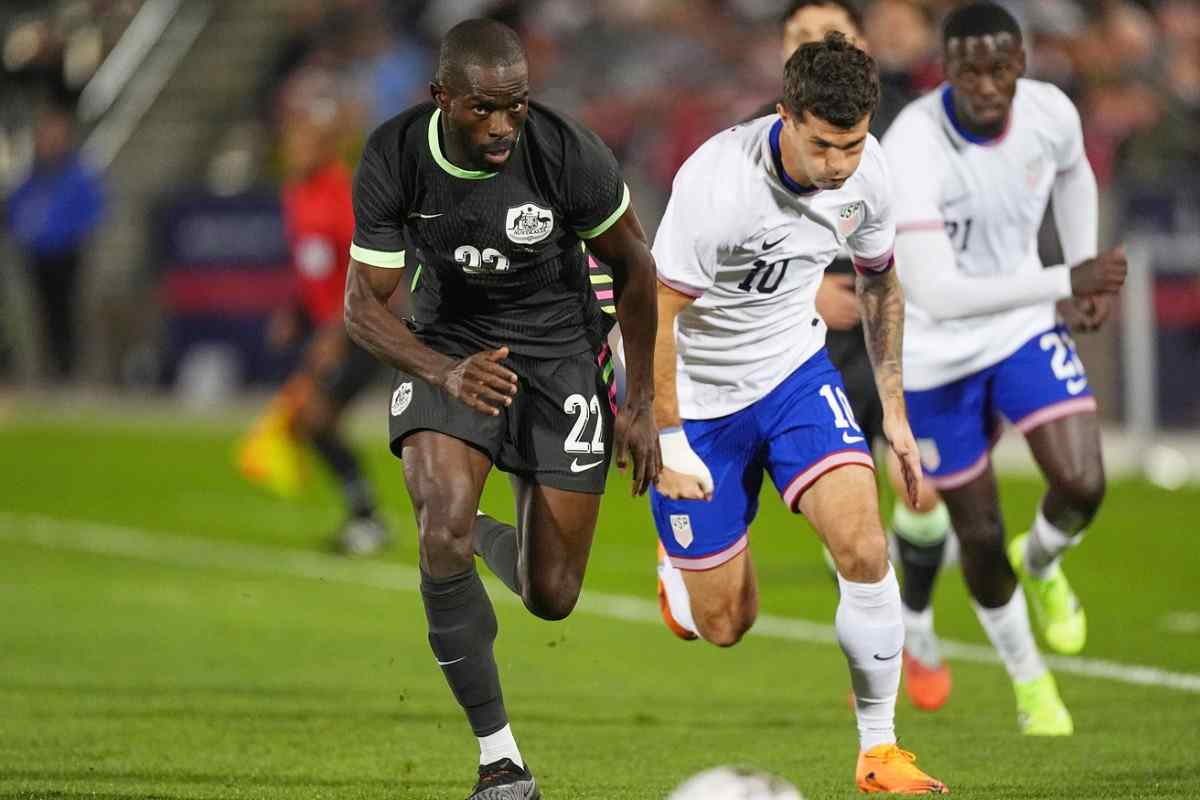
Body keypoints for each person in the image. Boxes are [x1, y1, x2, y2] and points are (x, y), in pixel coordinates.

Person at [342, 19, 660, 799]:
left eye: (514, 106)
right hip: (449, 343)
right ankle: (500, 761)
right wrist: (444, 372)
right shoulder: (393, 157)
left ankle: (488, 536)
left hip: (559, 357)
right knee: (440, 522)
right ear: (441, 97)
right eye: (483, 108)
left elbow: (637, 268)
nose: (500, 126)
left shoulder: (565, 151)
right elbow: (363, 308)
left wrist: (642, 400)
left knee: (552, 594)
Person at [651, 32, 946, 795]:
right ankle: (680, 568)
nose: (838, 164)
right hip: (702, 401)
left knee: (863, 545)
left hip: (792, 376)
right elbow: (657, 315)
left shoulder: (867, 175)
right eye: (823, 146)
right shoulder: (717, 183)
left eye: (851, 144)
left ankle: (879, 752)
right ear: (786, 116)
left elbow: (880, 286)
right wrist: (669, 438)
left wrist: (897, 417)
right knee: (725, 625)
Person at [881, 1, 1127, 734]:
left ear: (1021, 62)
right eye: (969, 70)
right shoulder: (914, 146)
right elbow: (937, 294)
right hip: (933, 353)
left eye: (999, 67)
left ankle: (1045, 563)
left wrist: (1078, 258)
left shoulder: (1051, 112)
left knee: (1083, 482)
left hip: (1018, 328)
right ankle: (1032, 685)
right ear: (945, 71)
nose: (986, 84)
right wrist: (1066, 280)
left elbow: (1076, 173)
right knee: (979, 535)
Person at [731, 0, 960, 716]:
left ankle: (913, 621)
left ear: (858, 44)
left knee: (925, 496)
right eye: (799, 35)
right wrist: (807, 301)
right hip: (796, 348)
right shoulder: (749, 142)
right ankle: (883, 641)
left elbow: (917, 239)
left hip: (888, 334)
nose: (814, 42)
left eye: (828, 33)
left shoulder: (900, 129)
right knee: (847, 511)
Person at [236, 69, 390, 556]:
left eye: (304, 139)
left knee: (314, 415)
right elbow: (313, 268)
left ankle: (369, 518)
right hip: (329, 325)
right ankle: (365, 516)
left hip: (365, 325)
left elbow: (362, 270)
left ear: (324, 145)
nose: (295, 148)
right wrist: (293, 312)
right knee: (311, 419)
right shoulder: (295, 195)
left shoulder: (340, 192)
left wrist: (333, 334)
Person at [5, 102, 105, 381]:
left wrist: (74, 235)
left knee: (69, 314)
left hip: (69, 253)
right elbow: (15, 209)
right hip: (36, 254)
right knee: (39, 314)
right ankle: (41, 372)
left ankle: (71, 371)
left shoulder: (78, 174)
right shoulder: (31, 175)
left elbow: (92, 210)